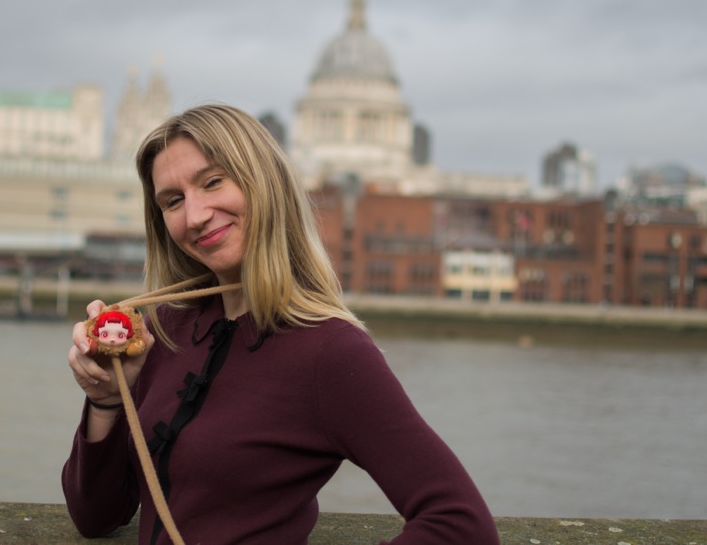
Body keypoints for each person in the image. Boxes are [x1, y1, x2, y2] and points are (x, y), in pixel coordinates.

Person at [63, 103, 499, 544]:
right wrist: (106, 401)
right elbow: (95, 516)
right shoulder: (162, 332)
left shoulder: (331, 352)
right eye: (173, 201)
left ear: (264, 184)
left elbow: (462, 526)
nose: (194, 216)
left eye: (213, 181)